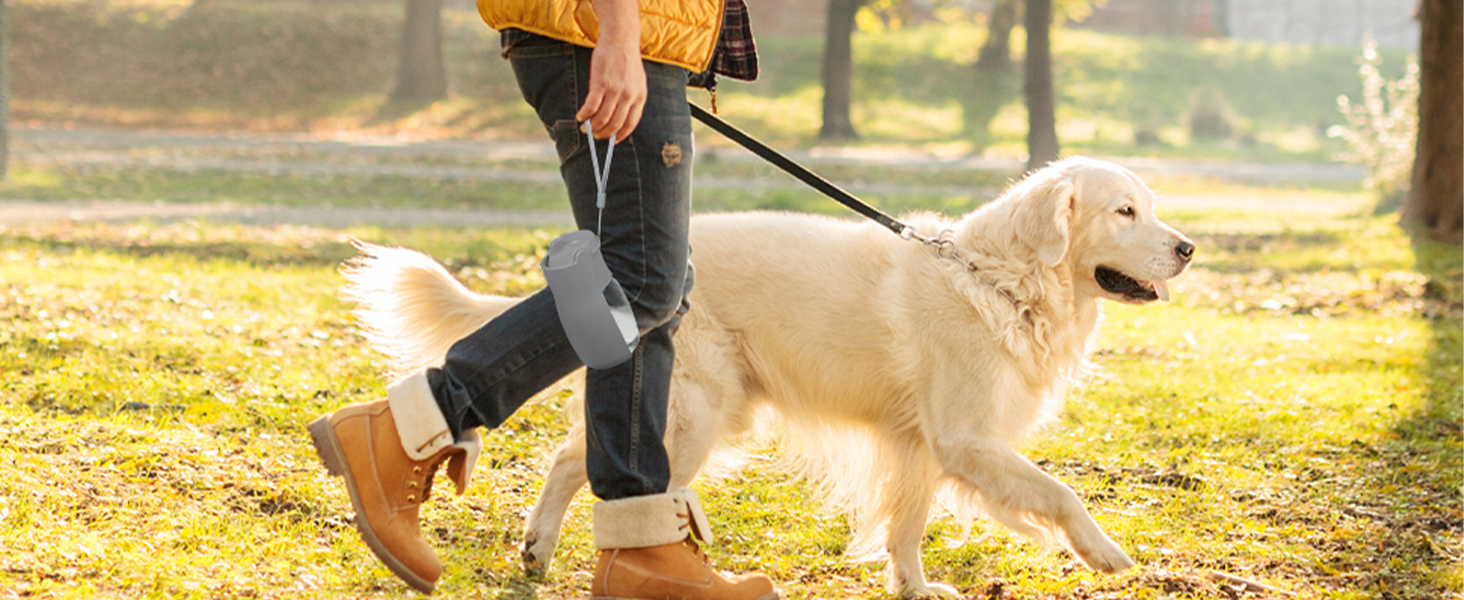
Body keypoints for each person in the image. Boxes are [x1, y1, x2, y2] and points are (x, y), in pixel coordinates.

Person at [306, 0, 775, 598]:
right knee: (641, 281)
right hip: (605, 31)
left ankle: (640, 546)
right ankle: (408, 427)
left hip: (633, 36)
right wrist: (619, 32)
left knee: (652, 292)